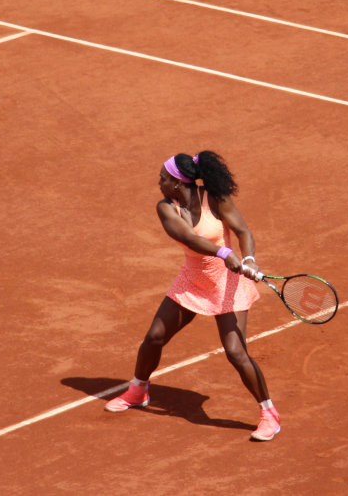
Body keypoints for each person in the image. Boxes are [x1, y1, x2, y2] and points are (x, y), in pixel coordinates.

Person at [104, 151, 280, 441]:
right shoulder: (166, 207)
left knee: (236, 352)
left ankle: (269, 414)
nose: (159, 182)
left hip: (226, 282)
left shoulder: (216, 198)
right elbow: (189, 238)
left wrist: (247, 258)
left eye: (164, 178)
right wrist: (224, 252)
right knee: (154, 337)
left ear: (177, 183)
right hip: (193, 279)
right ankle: (137, 390)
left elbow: (242, 230)